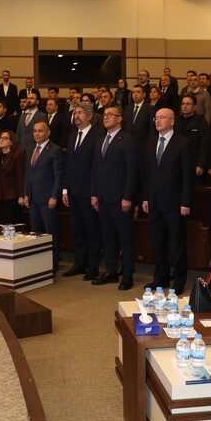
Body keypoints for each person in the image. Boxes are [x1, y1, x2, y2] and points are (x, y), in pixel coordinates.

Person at [142, 108, 193, 294]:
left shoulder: (183, 143)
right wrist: (145, 198)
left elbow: (188, 176)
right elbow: (147, 174)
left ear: (172, 121)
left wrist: (186, 202)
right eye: (156, 117)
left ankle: (179, 280)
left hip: (175, 203)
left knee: (177, 244)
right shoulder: (151, 142)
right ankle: (161, 277)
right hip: (154, 202)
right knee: (157, 243)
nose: (157, 120)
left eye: (162, 117)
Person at [90, 106, 139, 290]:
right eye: (105, 115)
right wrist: (94, 193)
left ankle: (128, 274)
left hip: (120, 198)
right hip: (102, 197)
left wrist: (127, 196)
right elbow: (95, 169)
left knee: (125, 238)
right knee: (108, 236)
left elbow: (132, 171)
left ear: (120, 119)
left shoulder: (128, 140)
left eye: (110, 115)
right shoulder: (100, 140)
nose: (106, 117)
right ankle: (111, 271)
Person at [62, 102, 102, 278]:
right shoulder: (72, 136)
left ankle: (93, 267)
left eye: (80, 112)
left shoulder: (98, 136)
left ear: (89, 116)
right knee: (77, 230)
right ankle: (80, 263)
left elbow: (96, 168)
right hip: (72, 191)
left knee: (92, 231)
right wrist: (65, 189)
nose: (76, 116)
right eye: (75, 113)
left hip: (88, 192)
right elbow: (68, 164)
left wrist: (94, 192)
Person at [24, 121, 64, 271]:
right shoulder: (30, 149)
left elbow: (58, 176)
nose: (37, 134)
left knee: (50, 232)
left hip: (47, 199)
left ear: (48, 132)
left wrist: (54, 196)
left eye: (40, 131)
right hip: (33, 199)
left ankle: (53, 263)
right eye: (35, 131)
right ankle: (39, 264)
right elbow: (28, 174)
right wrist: (26, 194)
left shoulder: (55, 150)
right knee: (36, 233)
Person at [0, 130, 26, 225]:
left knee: (10, 224)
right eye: (0, 138)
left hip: (11, 196)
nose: (1, 140)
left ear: (12, 142)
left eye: (5, 138)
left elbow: (20, 176)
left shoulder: (18, 154)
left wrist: (21, 195)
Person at [174, 94, 211, 182]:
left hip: (193, 161)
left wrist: (200, 164)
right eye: (183, 104)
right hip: (178, 162)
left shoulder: (201, 121)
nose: (185, 106)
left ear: (194, 107)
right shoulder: (177, 121)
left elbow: (205, 145)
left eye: (188, 104)